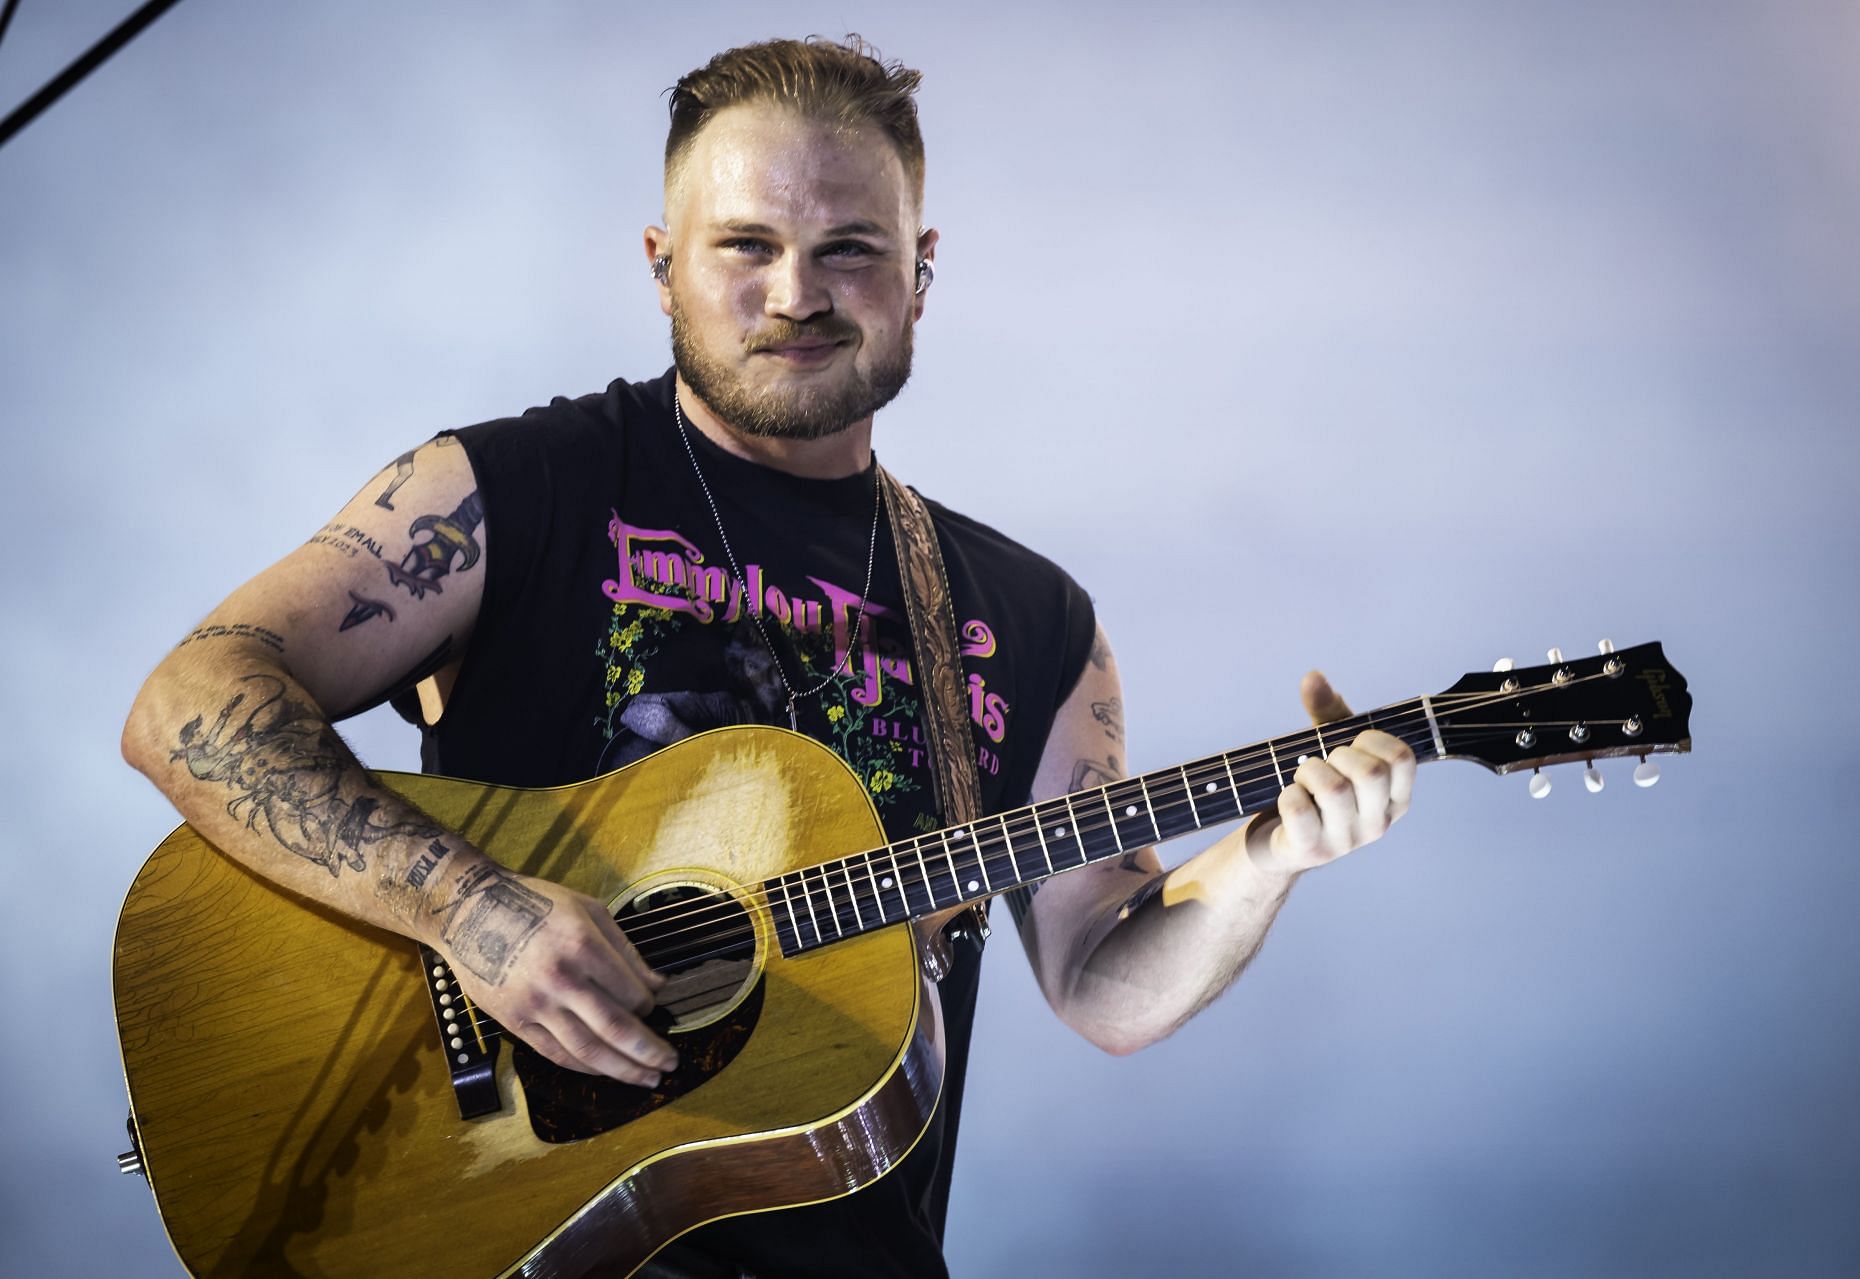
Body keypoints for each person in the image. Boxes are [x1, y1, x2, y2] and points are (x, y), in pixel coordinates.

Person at [121, 35, 1415, 1279]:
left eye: (850, 249)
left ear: (923, 269)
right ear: (660, 261)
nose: (797, 295)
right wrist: (471, 908)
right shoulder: (511, 491)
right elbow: (191, 701)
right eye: (747, 245)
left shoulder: (1033, 620)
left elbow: (1101, 979)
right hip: (511, 1230)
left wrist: (1267, 857)